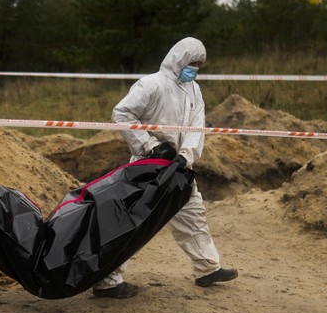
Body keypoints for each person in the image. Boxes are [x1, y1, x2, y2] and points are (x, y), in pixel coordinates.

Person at [92, 37, 238, 299]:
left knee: (193, 214)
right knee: (136, 222)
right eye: (192, 63)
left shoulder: (194, 90)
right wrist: (150, 146)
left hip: (179, 168)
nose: (194, 69)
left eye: (199, 65)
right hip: (149, 168)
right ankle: (107, 281)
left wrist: (185, 156)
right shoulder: (152, 84)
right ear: (179, 58)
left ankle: (207, 268)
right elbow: (122, 113)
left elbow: (197, 126)